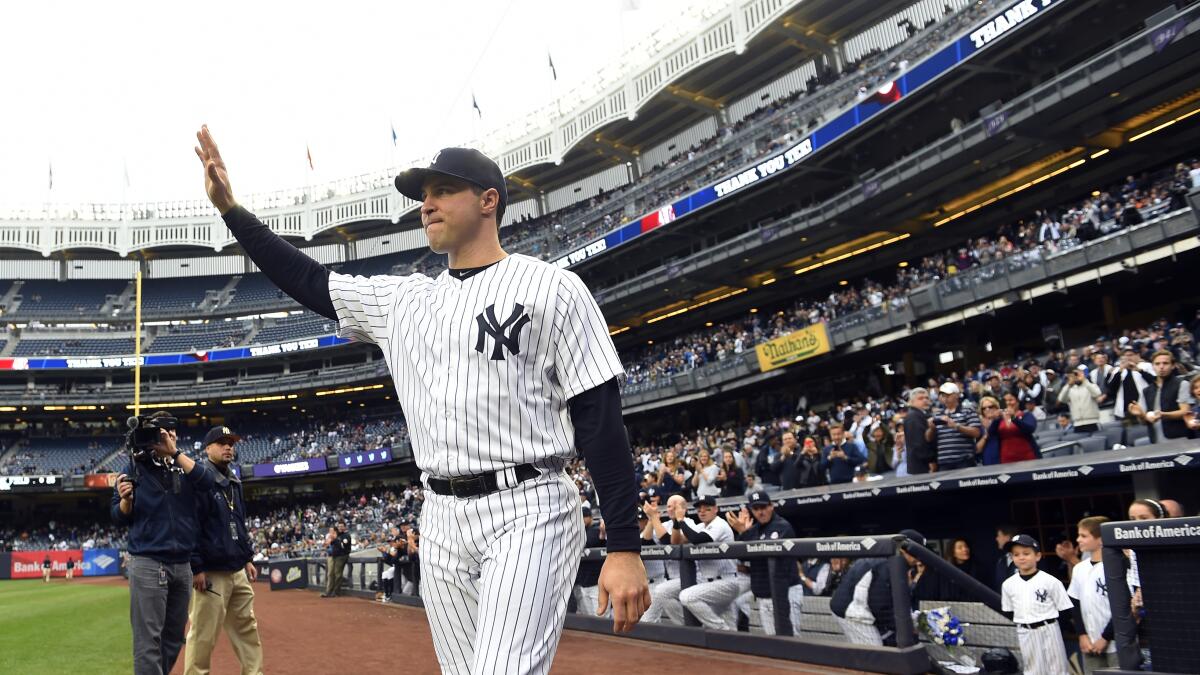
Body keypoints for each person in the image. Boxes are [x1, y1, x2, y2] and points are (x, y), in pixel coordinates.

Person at [197, 128, 648, 673]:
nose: (426, 205)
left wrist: (624, 545)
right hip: (438, 516)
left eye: (442, 191)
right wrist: (231, 210)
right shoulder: (405, 299)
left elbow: (600, 419)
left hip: (528, 507)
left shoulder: (551, 287)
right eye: (422, 195)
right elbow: (308, 279)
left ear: (488, 201)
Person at [111, 411, 216, 675]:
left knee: (173, 639)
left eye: (168, 435)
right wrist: (126, 502)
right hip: (148, 562)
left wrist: (175, 452)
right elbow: (117, 516)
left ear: (175, 436)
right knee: (149, 641)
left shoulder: (185, 466)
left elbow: (209, 482)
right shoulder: (134, 468)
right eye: (159, 435)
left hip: (182, 565)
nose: (163, 440)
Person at [184, 425, 264, 675]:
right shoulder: (198, 479)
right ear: (208, 448)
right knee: (203, 635)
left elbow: (238, 522)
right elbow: (190, 525)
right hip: (211, 572)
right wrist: (196, 567)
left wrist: (247, 556)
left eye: (231, 442)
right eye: (222, 442)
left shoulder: (234, 480)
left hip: (236, 569)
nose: (229, 446)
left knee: (247, 629)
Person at [831, 529, 925, 646]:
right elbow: (880, 605)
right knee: (876, 653)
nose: (918, 558)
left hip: (852, 606)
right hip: (852, 611)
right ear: (903, 549)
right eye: (915, 553)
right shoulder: (886, 564)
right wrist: (907, 627)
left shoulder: (889, 558)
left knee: (874, 650)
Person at [727, 491, 803, 636]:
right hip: (764, 595)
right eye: (756, 509)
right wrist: (743, 533)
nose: (760, 512)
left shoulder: (782, 526)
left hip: (787, 592)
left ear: (771, 506)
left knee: (792, 641)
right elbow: (740, 556)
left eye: (763, 507)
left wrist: (744, 532)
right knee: (773, 642)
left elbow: (764, 551)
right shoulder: (753, 530)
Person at [1000, 534, 1073, 675]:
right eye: (1016, 554)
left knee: (1058, 670)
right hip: (1025, 630)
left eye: (1026, 553)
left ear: (1037, 556)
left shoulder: (1050, 581)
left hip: (1049, 627)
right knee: (1033, 671)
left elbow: (1065, 610)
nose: (1021, 557)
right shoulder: (1008, 584)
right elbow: (1008, 611)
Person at [675, 496, 739, 631]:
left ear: (715, 509)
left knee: (687, 597)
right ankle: (729, 635)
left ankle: (723, 630)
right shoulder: (701, 526)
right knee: (731, 629)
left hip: (726, 581)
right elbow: (678, 541)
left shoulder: (719, 524)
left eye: (707, 509)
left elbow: (698, 539)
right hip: (710, 583)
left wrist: (681, 520)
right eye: (699, 509)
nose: (702, 512)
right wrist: (676, 522)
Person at [1068, 516, 1117, 674]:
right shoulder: (1079, 568)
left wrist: (1105, 637)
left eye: (1084, 536)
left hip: (1116, 642)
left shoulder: (1118, 565)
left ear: (1101, 539)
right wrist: (1082, 635)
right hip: (1089, 641)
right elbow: (1075, 604)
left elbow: (1123, 607)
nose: (1078, 539)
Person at [1129, 350, 1193, 442]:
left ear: (1173, 365)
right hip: (1156, 441)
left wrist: (1163, 415)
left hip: (1180, 438)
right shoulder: (1147, 391)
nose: (1161, 367)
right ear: (1153, 366)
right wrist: (1140, 415)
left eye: (1165, 363)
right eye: (1157, 364)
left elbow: (1185, 412)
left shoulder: (1182, 384)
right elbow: (1144, 421)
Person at [643, 495, 687, 625]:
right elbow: (646, 543)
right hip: (672, 580)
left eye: (676, 505)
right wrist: (652, 519)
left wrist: (654, 518)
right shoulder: (665, 525)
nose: (672, 508)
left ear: (684, 508)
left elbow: (670, 543)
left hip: (692, 577)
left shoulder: (690, 523)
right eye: (669, 506)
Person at [929, 383, 982, 471]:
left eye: (948, 395)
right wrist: (931, 428)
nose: (945, 398)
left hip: (964, 460)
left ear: (957, 395)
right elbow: (928, 438)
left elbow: (976, 433)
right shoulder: (937, 414)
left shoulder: (968, 410)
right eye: (942, 395)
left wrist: (956, 426)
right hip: (943, 461)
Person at [573, 506, 606, 616]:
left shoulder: (596, 529)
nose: (581, 520)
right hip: (584, 583)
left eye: (584, 517)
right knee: (589, 617)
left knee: (602, 618)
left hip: (597, 584)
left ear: (590, 517)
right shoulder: (580, 531)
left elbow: (587, 542)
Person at [990, 393, 1040, 464]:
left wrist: (1013, 417)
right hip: (1006, 459)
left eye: (1011, 400)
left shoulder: (1026, 415)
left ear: (1017, 402)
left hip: (1027, 456)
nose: (1008, 403)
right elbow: (991, 434)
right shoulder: (999, 419)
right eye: (1005, 401)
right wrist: (996, 419)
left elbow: (1030, 429)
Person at [1058, 365, 1103, 433]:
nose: (1074, 377)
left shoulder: (1089, 385)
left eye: (1075, 374)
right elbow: (1062, 399)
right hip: (1077, 424)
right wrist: (1068, 385)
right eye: (1071, 376)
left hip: (1092, 422)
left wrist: (1084, 380)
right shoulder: (1069, 389)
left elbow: (1097, 394)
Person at [903, 388, 936, 474]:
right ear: (912, 401)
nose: (925, 400)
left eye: (927, 398)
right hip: (922, 466)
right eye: (920, 398)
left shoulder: (920, 414)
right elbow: (918, 443)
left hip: (921, 464)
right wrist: (930, 460)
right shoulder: (914, 416)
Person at [322, 522, 351, 598]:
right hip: (335, 556)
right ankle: (329, 591)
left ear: (345, 527)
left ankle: (336, 591)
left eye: (342, 526)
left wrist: (334, 540)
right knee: (332, 574)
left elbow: (343, 546)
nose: (340, 527)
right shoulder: (336, 535)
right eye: (339, 526)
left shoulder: (346, 536)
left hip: (342, 556)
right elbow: (327, 544)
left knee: (337, 573)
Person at [976, 396, 1002, 465]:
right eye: (984, 408)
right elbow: (977, 449)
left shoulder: (1003, 421)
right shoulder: (980, 426)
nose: (987, 409)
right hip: (988, 459)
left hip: (1004, 456)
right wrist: (986, 435)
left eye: (990, 407)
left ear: (996, 407)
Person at [993, 524, 1020, 591]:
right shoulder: (1001, 560)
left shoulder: (1025, 559)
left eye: (999, 536)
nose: (996, 539)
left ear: (1008, 537)